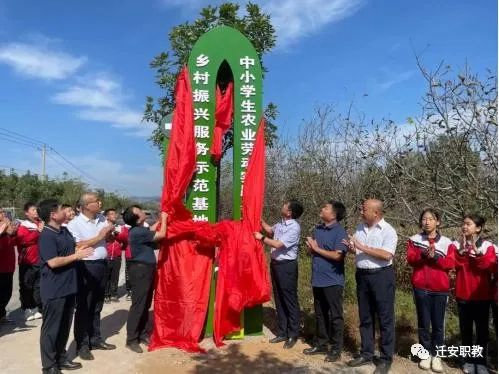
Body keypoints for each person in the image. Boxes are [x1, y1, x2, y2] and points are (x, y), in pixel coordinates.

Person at [38, 199, 94, 374]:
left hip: (69, 286)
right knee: (51, 329)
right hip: (54, 289)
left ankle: (61, 358)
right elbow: (53, 262)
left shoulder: (64, 230)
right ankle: (49, 366)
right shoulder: (46, 235)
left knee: (64, 326)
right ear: (53, 215)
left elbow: (72, 248)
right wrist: (77, 256)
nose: (67, 211)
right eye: (62, 209)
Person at [344, 199, 398, 374]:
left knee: (385, 318)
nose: (361, 211)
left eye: (364, 209)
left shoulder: (389, 231)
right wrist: (353, 248)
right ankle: (366, 353)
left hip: (381, 276)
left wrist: (362, 246)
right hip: (363, 275)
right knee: (365, 316)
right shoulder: (360, 228)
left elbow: (386, 254)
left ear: (376, 213)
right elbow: (359, 250)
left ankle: (385, 358)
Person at [67, 192, 116, 360]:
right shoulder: (74, 224)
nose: (100, 203)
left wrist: (108, 235)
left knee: (97, 305)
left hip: (102, 264)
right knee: (84, 306)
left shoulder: (102, 219)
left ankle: (95, 338)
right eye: (96, 201)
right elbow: (78, 244)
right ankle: (82, 344)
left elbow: (104, 240)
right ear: (87, 205)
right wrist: (100, 236)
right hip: (86, 266)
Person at [406, 208, 456, 372]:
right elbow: (411, 260)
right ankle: (425, 354)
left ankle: (437, 356)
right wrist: (423, 255)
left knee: (438, 325)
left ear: (438, 222)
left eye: (430, 219)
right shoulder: (414, 240)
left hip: (440, 289)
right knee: (423, 323)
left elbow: (450, 264)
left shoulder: (447, 242)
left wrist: (435, 257)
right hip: (420, 287)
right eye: (424, 219)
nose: (426, 222)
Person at [302, 200, 348, 363]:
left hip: (333, 280)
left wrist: (316, 249)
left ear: (334, 214)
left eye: (325, 208)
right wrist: (310, 248)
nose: (322, 209)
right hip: (318, 279)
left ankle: (336, 349)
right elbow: (312, 253)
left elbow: (337, 255)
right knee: (320, 314)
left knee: (335, 316)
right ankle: (321, 344)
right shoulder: (318, 229)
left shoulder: (340, 232)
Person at [254, 199, 303, 349]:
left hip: (287, 266)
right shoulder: (281, 223)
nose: (282, 206)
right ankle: (282, 331)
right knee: (279, 299)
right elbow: (270, 230)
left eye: (285, 205)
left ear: (289, 212)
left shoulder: (294, 227)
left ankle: (293, 333)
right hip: (276, 265)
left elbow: (278, 244)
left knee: (289, 299)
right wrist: (259, 220)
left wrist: (261, 238)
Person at [122, 206, 167, 353]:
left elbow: (152, 231)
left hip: (145, 269)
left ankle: (141, 334)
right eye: (139, 211)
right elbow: (161, 235)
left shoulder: (140, 230)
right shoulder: (137, 232)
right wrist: (165, 218)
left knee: (146, 303)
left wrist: (160, 219)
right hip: (140, 270)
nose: (143, 211)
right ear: (137, 217)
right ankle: (131, 339)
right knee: (139, 305)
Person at [454, 214, 496, 374]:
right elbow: (454, 264)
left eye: (468, 224)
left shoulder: (488, 246)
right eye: (463, 224)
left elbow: (490, 266)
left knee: (482, 331)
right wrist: (461, 252)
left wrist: (478, 254)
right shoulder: (456, 244)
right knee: (465, 330)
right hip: (463, 293)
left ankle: (481, 362)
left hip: (481, 295)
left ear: (478, 228)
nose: (464, 227)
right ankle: (467, 360)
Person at [16, 202, 44, 321]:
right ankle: (27, 308)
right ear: (26, 213)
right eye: (33, 210)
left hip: (40, 259)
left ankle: (36, 307)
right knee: (27, 285)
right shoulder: (23, 226)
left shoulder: (41, 223)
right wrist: (38, 232)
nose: (36, 212)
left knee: (38, 285)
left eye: (36, 210)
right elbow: (23, 240)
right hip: (27, 261)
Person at [0, 209, 17, 324]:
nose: (3, 214)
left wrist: (11, 230)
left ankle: (2, 315)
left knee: (7, 292)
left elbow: (14, 241)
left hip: (9, 266)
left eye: (3, 212)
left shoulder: (7, 228)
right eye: (0, 212)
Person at [103, 208, 124, 303]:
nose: (114, 215)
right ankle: (105, 295)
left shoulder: (119, 227)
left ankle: (114, 294)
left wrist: (119, 235)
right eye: (111, 214)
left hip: (117, 255)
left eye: (115, 213)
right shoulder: (103, 226)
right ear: (106, 216)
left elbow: (124, 239)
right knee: (106, 276)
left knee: (115, 276)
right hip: (106, 255)